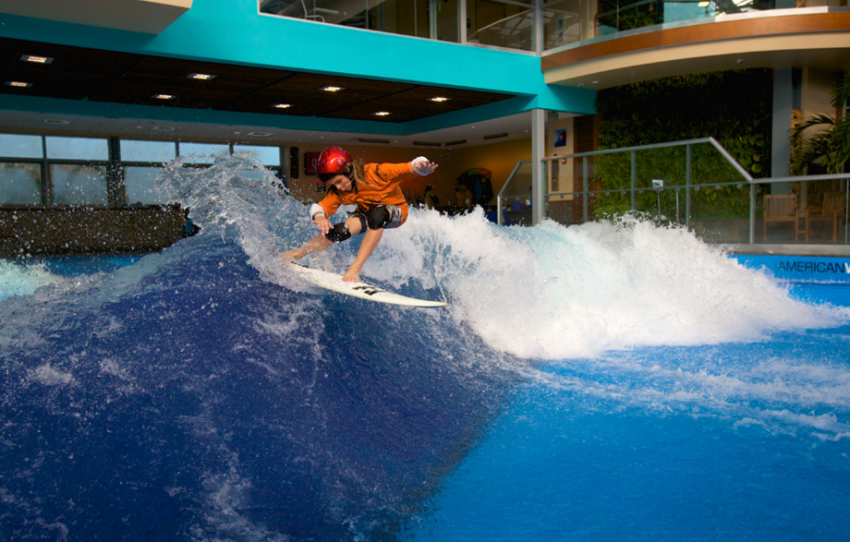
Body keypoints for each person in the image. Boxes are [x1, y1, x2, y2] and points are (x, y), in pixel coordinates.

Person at [278, 146, 438, 282]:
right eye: (334, 184)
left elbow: (409, 166)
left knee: (378, 215)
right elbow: (319, 207)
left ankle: (355, 268)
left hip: (395, 211)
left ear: (348, 169)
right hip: (366, 212)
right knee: (340, 231)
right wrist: (320, 217)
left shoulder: (377, 173)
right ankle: (298, 253)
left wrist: (421, 166)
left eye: (339, 181)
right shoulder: (339, 192)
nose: (339, 187)